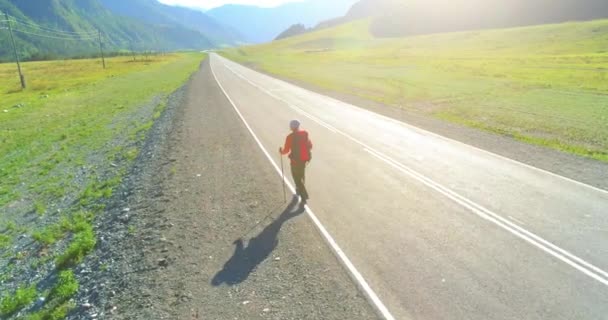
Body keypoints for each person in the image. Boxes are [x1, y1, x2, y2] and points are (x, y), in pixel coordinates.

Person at [279, 120, 312, 206]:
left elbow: (286, 150)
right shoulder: (305, 134)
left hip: (295, 161)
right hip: (304, 160)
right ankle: (299, 189)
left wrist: (281, 151)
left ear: (292, 127)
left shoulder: (290, 137)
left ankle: (303, 197)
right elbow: (310, 145)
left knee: (296, 178)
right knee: (301, 175)